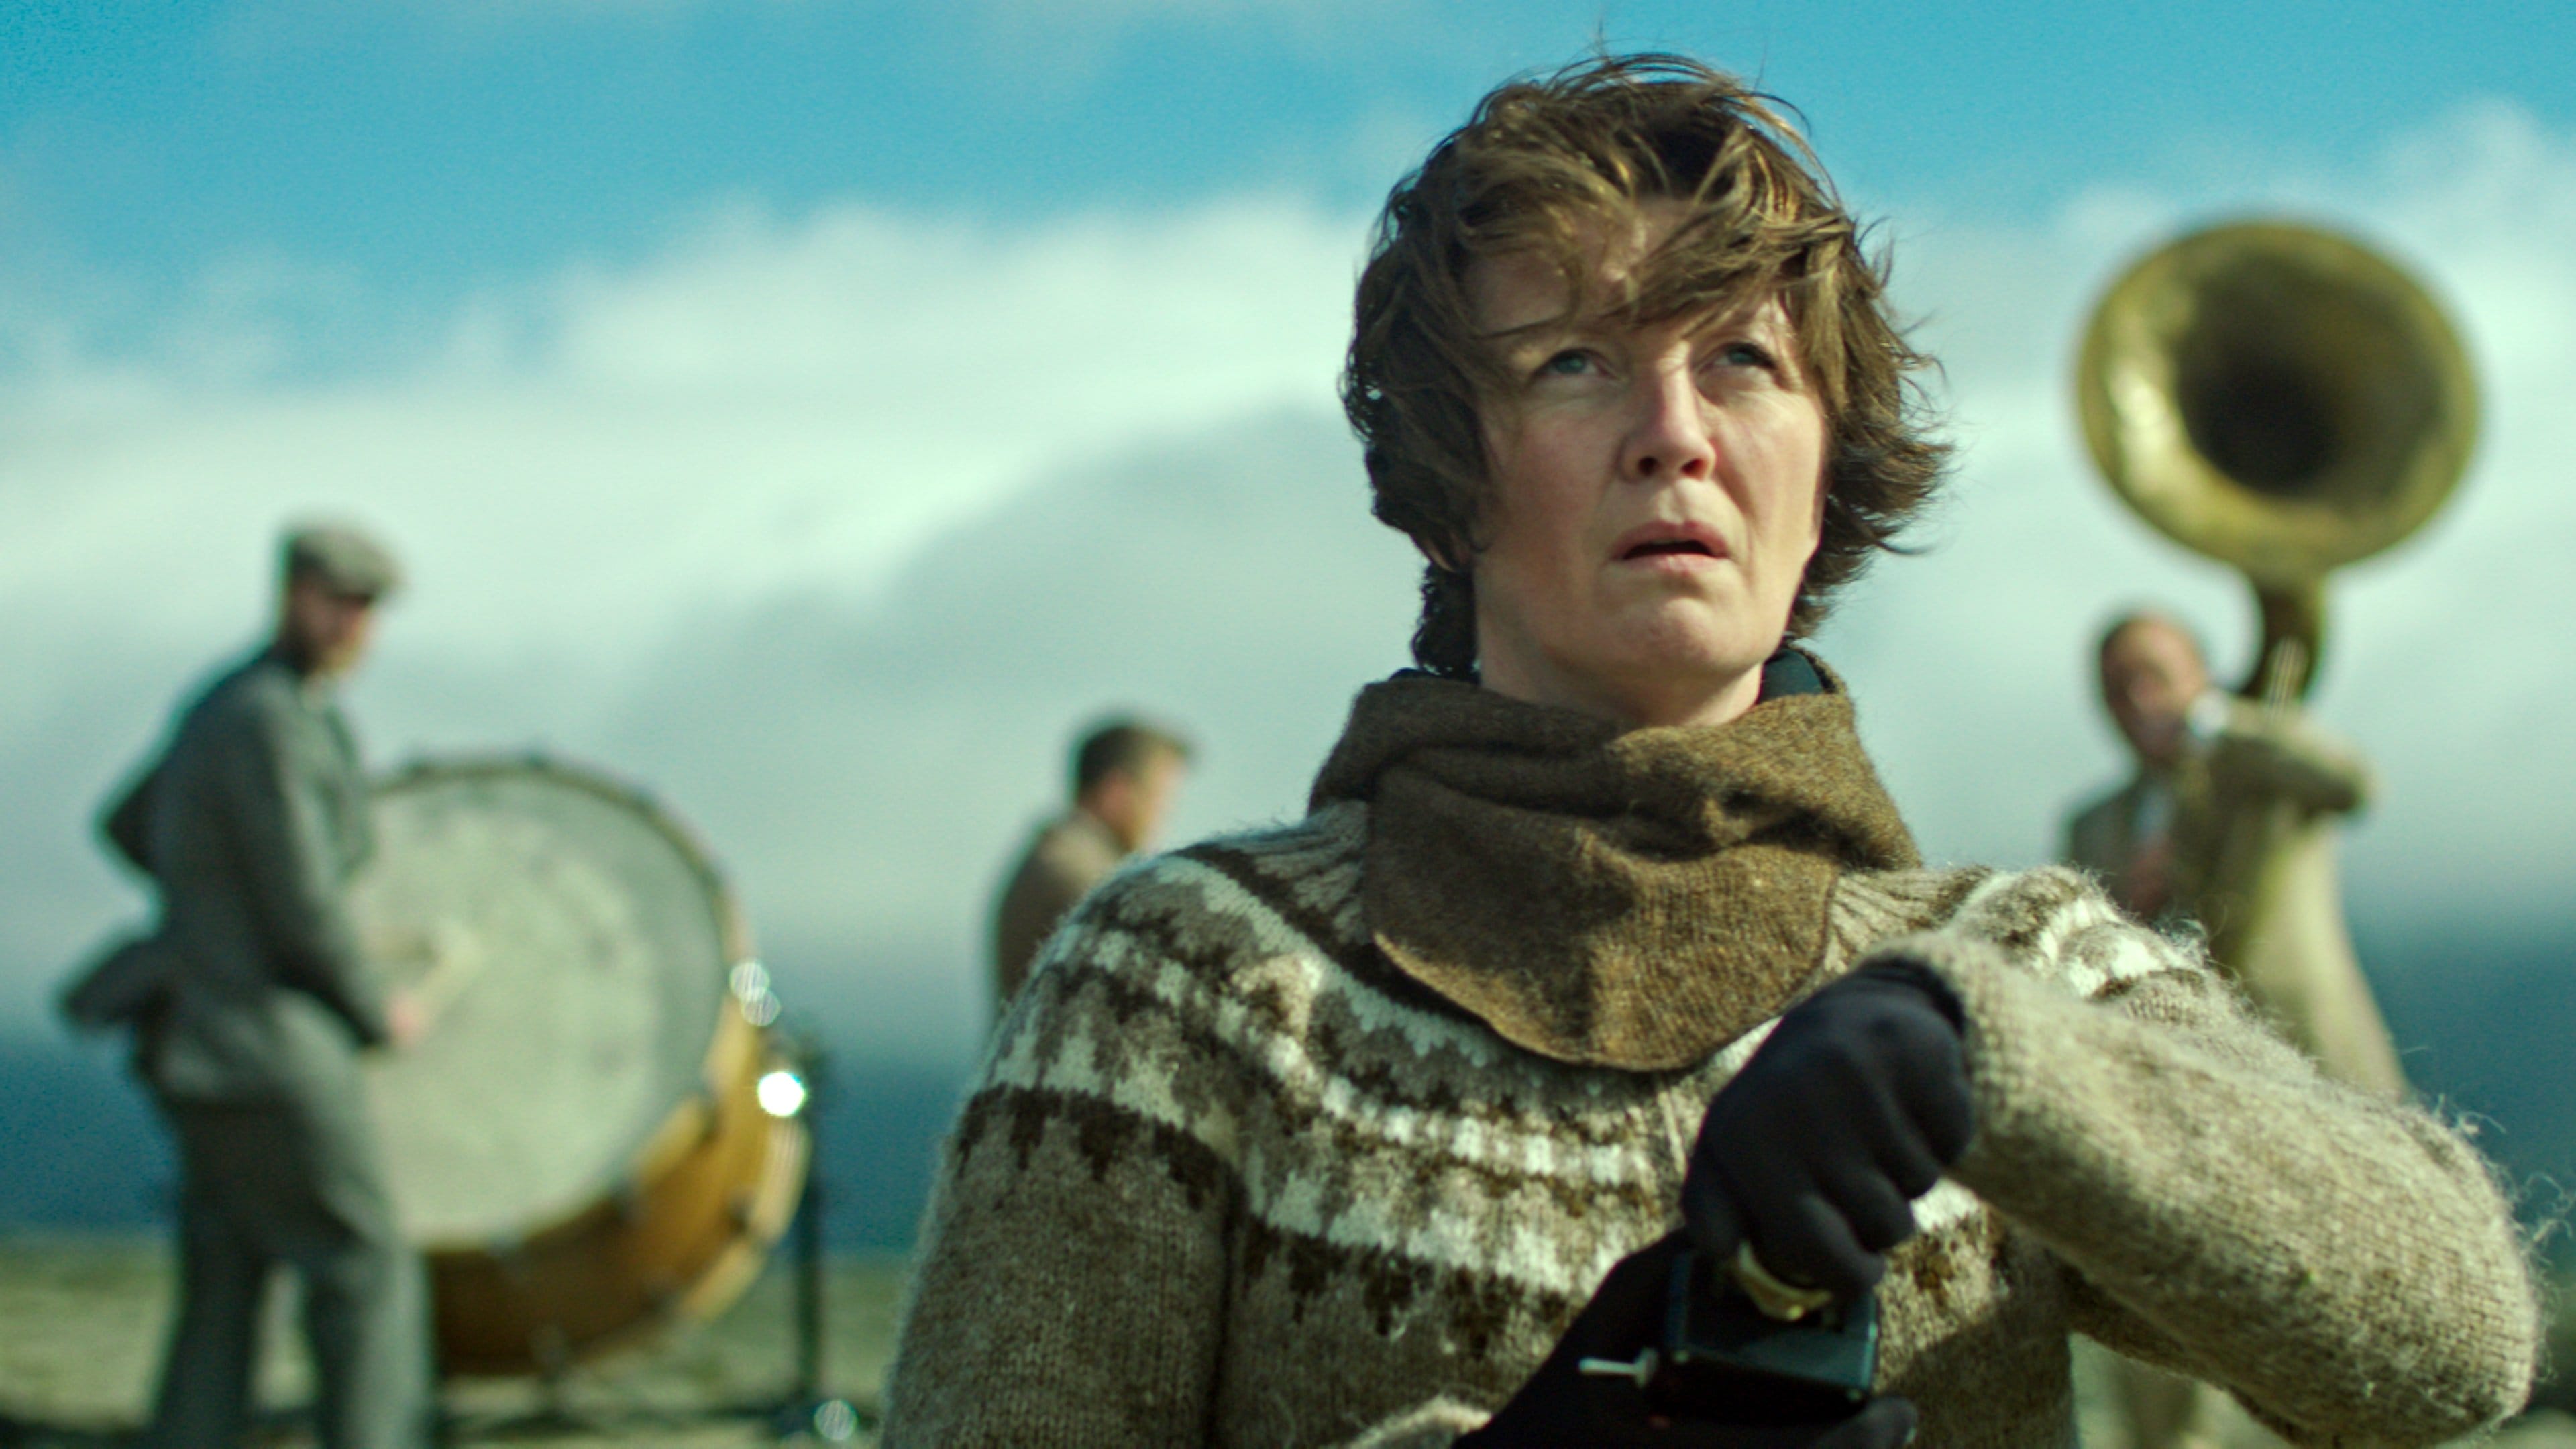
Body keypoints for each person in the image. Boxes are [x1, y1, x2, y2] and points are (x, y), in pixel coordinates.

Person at [882, 56, 2535, 1448]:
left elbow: (2461, 1341)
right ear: (1447, 488)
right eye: (1574, 364)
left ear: (1826, 476)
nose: (1673, 432)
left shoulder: (2013, 967)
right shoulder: (1176, 982)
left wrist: (2008, 1074)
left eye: (1742, 360)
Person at [87, 523, 431, 1449]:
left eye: (366, 608)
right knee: (364, 1269)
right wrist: (374, 1010)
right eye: (339, 602)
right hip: (268, 1045)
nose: (354, 625)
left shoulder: (226, 705)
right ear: (293, 595)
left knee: (228, 1278)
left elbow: (128, 825)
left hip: (196, 1044)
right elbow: (301, 899)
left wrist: (206, 899)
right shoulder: (270, 719)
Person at [2065, 612, 2404, 1093]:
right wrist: (2126, 907)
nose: (2139, 700)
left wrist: (2223, 721)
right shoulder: (2089, 826)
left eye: (2156, 676)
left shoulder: (2264, 771)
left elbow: (2353, 785)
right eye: (2119, 689)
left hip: (2312, 1050)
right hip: (2181, 1073)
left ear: (2200, 677)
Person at [987, 717, 1191, 1016]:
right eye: (1158, 800)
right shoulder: (1078, 873)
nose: (1162, 818)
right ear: (1117, 792)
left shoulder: (1063, 857)